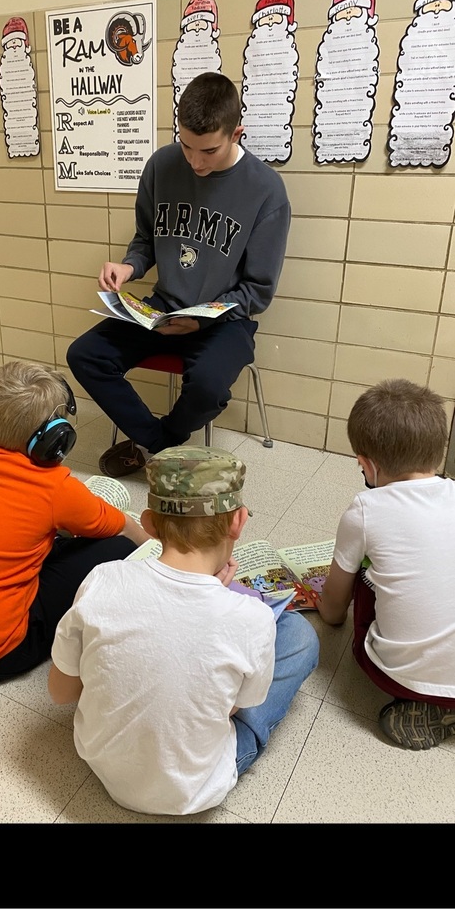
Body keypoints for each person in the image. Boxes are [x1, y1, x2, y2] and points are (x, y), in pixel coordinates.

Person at [48, 446, 320, 816]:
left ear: (147, 522)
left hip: (101, 763)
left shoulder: (102, 579)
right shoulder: (249, 618)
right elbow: (234, 706)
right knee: (300, 637)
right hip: (196, 790)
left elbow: (61, 692)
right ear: (239, 522)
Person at [66, 71, 291, 478]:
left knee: (207, 386)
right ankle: (160, 444)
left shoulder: (267, 190)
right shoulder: (161, 165)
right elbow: (145, 241)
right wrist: (128, 266)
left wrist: (203, 318)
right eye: (186, 145)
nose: (194, 161)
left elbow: (258, 291)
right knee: (85, 355)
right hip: (163, 309)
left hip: (225, 320)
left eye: (208, 150)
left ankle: (161, 440)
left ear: (236, 133)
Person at [0, 360, 149, 683]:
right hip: (2, 653)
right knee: (118, 543)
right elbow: (122, 527)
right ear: (54, 439)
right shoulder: (53, 488)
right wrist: (159, 547)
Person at [317, 378, 455, 751]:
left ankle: (426, 705)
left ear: (366, 465)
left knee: (363, 571)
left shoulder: (365, 508)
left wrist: (326, 606)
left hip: (403, 676)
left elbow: (332, 613)